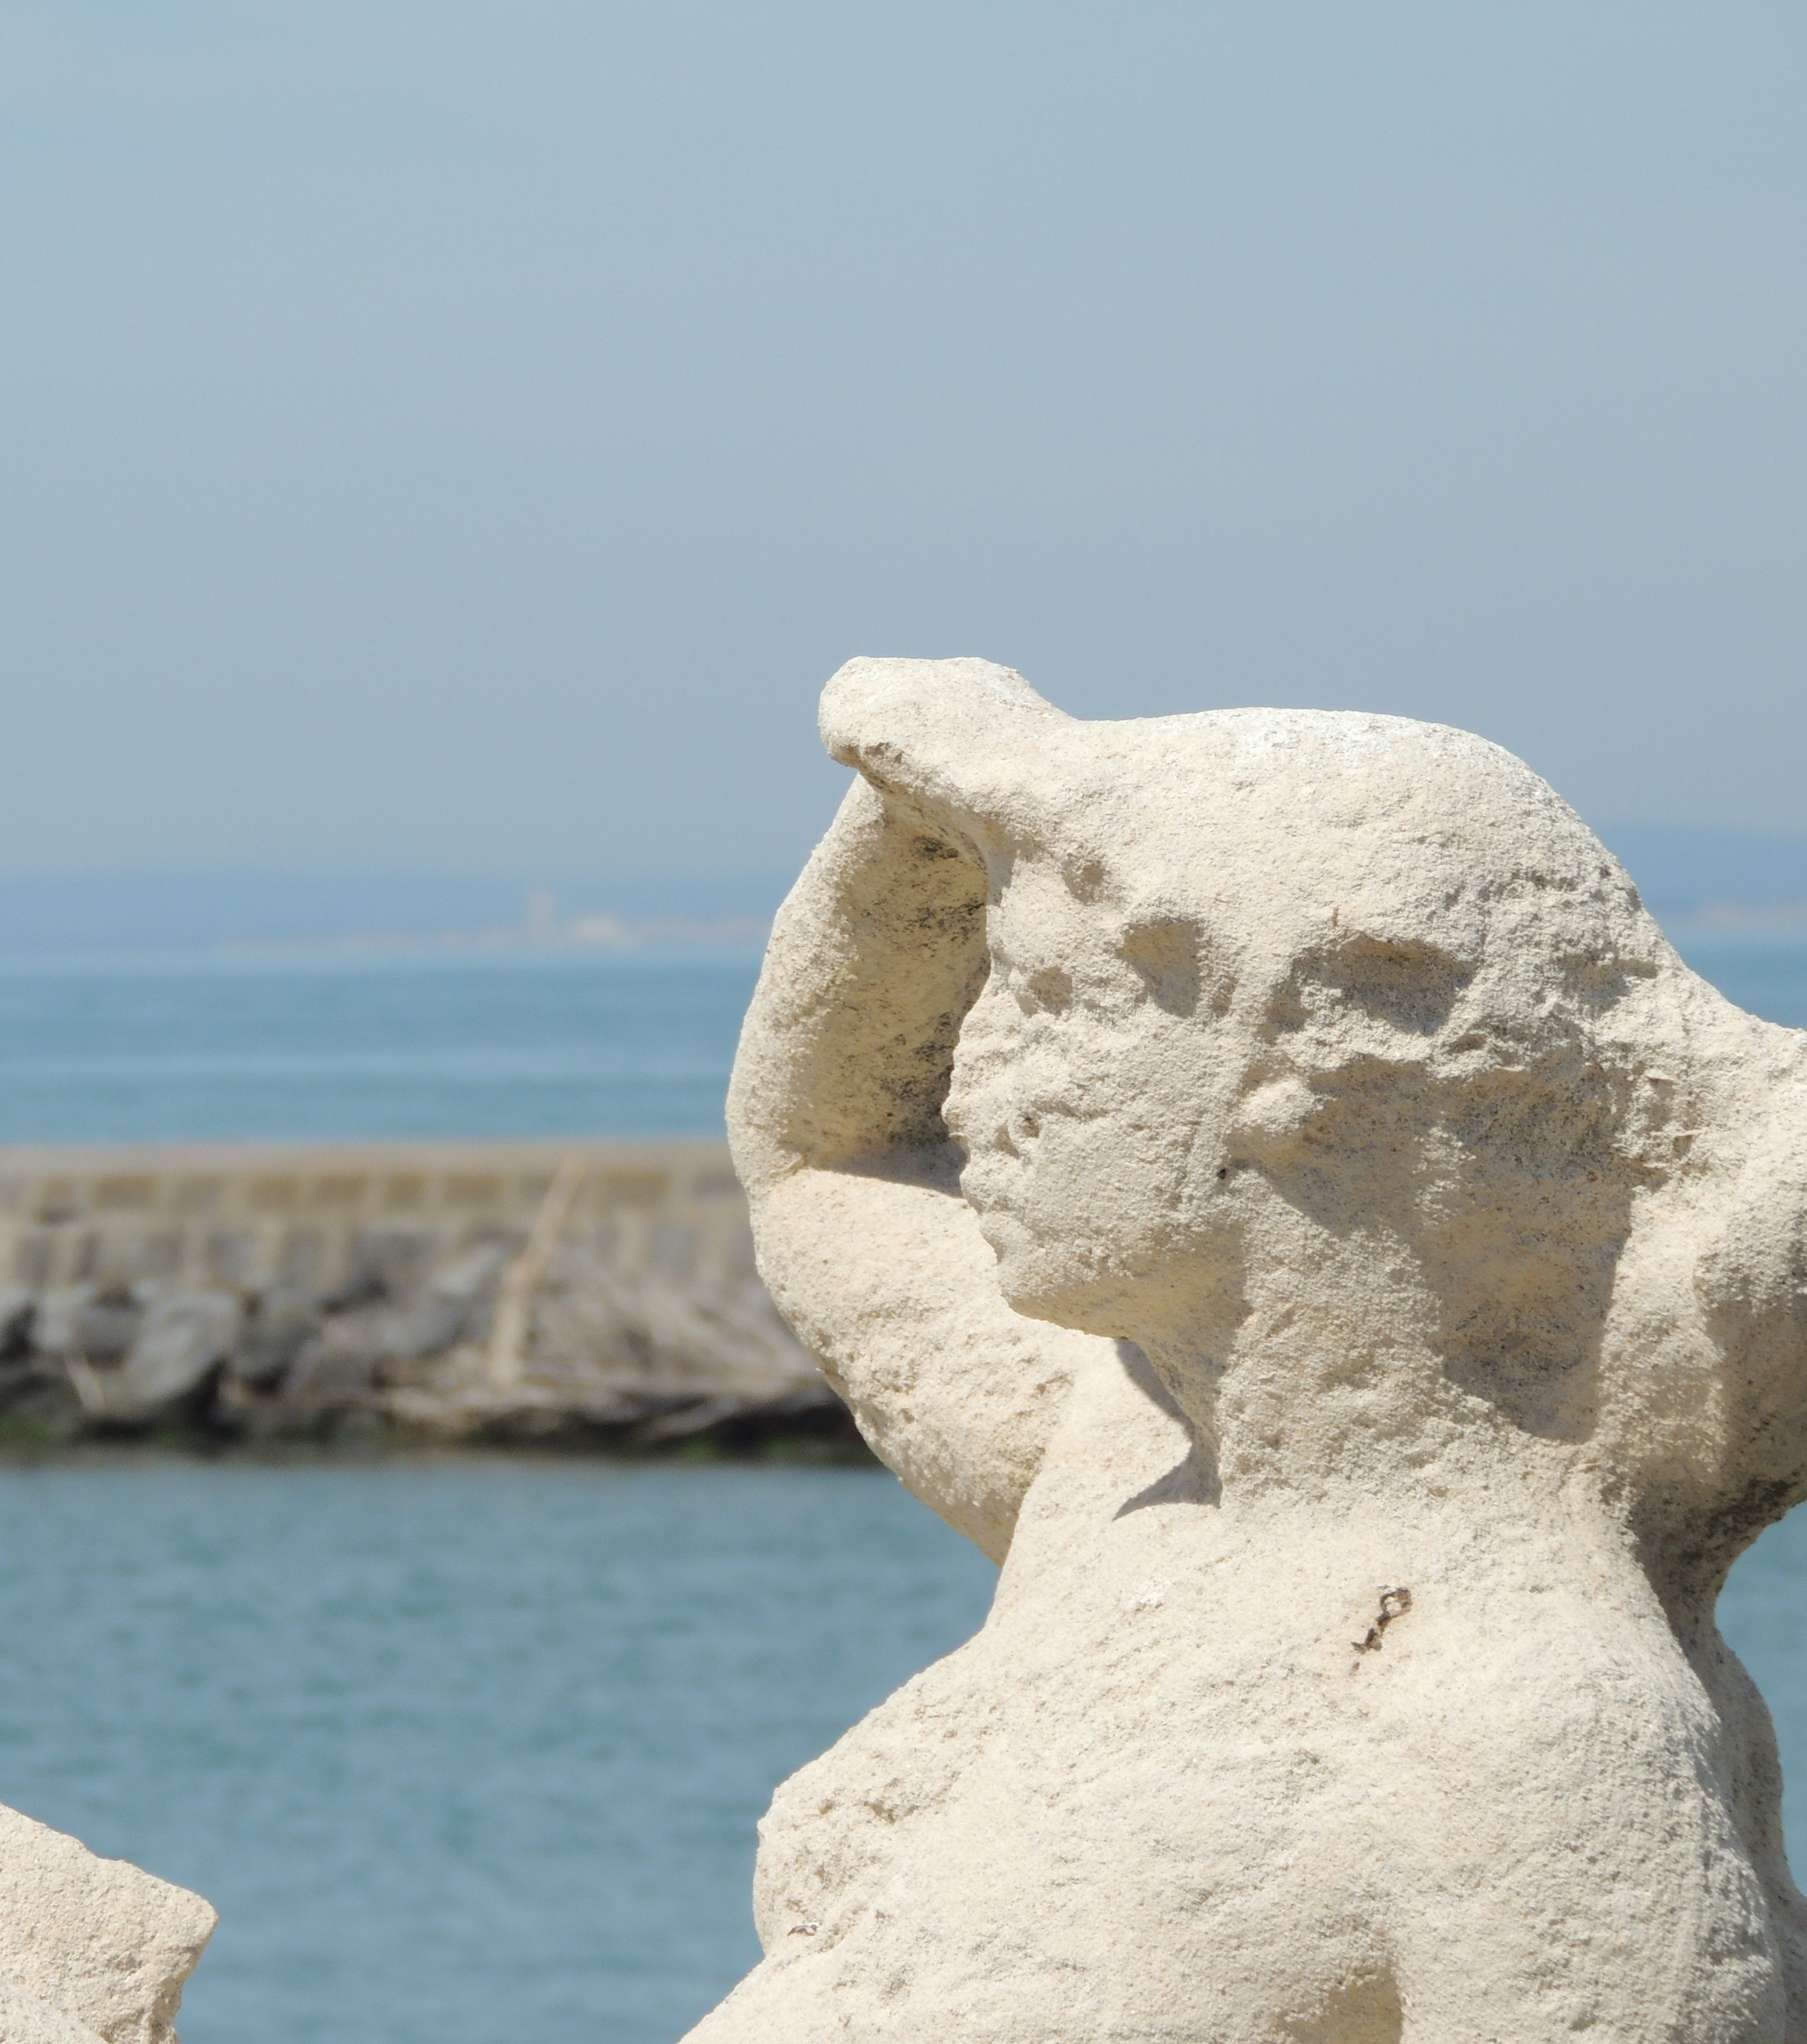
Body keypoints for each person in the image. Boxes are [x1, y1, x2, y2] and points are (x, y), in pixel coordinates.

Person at [698, 658, 1807, 2040]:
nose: (980, 1079)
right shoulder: (1122, 1468)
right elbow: (826, 1156)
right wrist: (945, 813)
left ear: (1313, 1065)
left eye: (1051, 1005)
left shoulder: (1525, 1735)